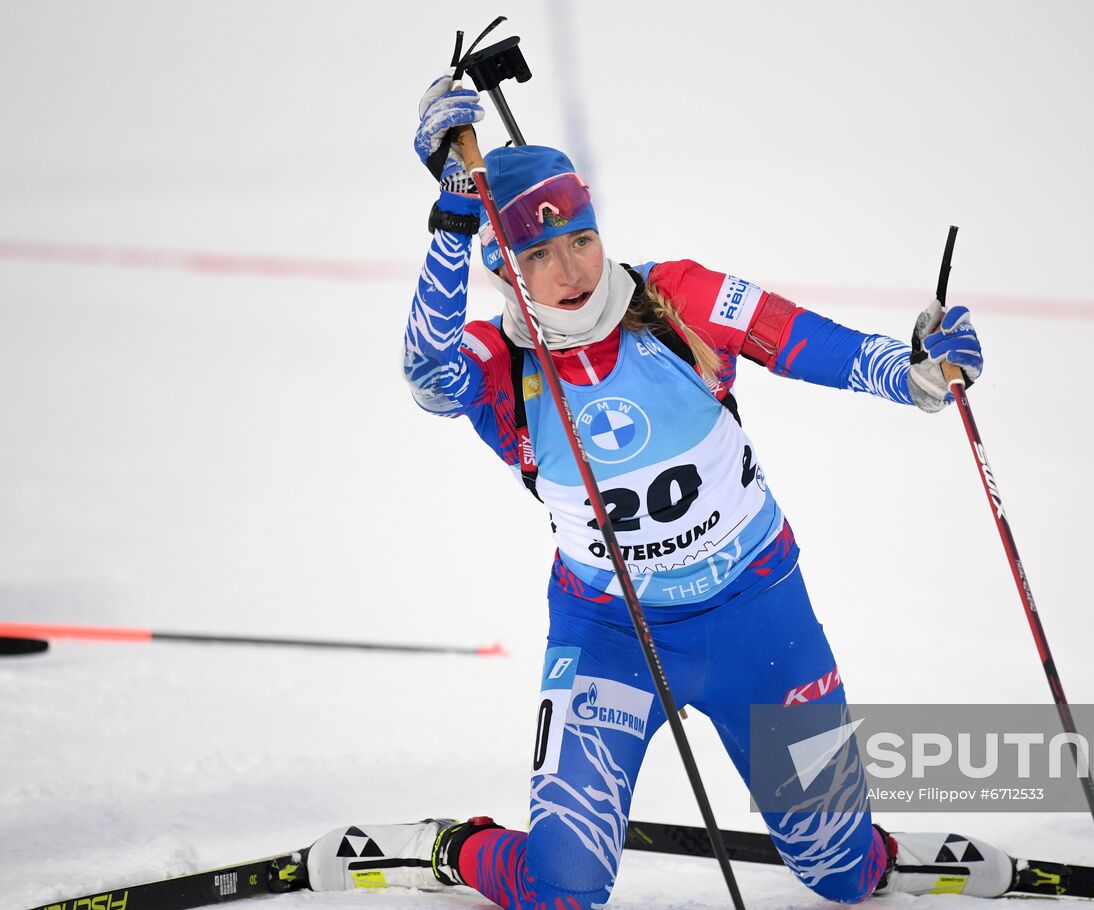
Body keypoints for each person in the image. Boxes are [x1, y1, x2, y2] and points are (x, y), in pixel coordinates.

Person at [305, 74, 1013, 906]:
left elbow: (807, 341)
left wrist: (916, 370)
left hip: (759, 616)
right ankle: (455, 850)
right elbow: (426, 375)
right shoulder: (504, 366)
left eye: (579, 238)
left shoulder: (676, 297)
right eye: (536, 254)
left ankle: (869, 848)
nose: (568, 269)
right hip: (612, 635)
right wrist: (457, 215)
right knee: (560, 887)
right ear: (505, 270)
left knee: (841, 878)